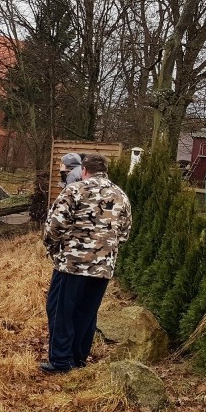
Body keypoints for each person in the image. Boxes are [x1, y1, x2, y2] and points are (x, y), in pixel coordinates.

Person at [42, 153, 132, 373]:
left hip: (73, 264)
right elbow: (124, 233)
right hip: (103, 267)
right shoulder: (121, 195)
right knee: (87, 312)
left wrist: (53, 249)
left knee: (61, 311)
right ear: (105, 171)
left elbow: (54, 226)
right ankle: (78, 359)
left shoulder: (75, 190)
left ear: (84, 170)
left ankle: (61, 361)